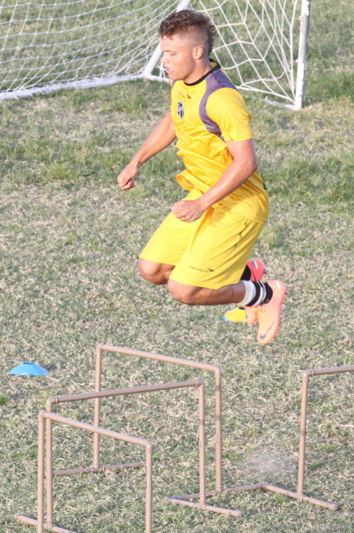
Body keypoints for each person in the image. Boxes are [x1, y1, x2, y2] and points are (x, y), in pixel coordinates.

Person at [116, 9, 286, 345]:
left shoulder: (222, 99)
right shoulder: (182, 82)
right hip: (203, 195)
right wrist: (137, 160)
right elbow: (175, 118)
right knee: (152, 270)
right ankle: (244, 272)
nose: (165, 60)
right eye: (164, 51)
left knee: (185, 290)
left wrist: (201, 204)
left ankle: (263, 293)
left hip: (238, 205)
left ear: (197, 52)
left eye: (172, 53)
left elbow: (246, 162)